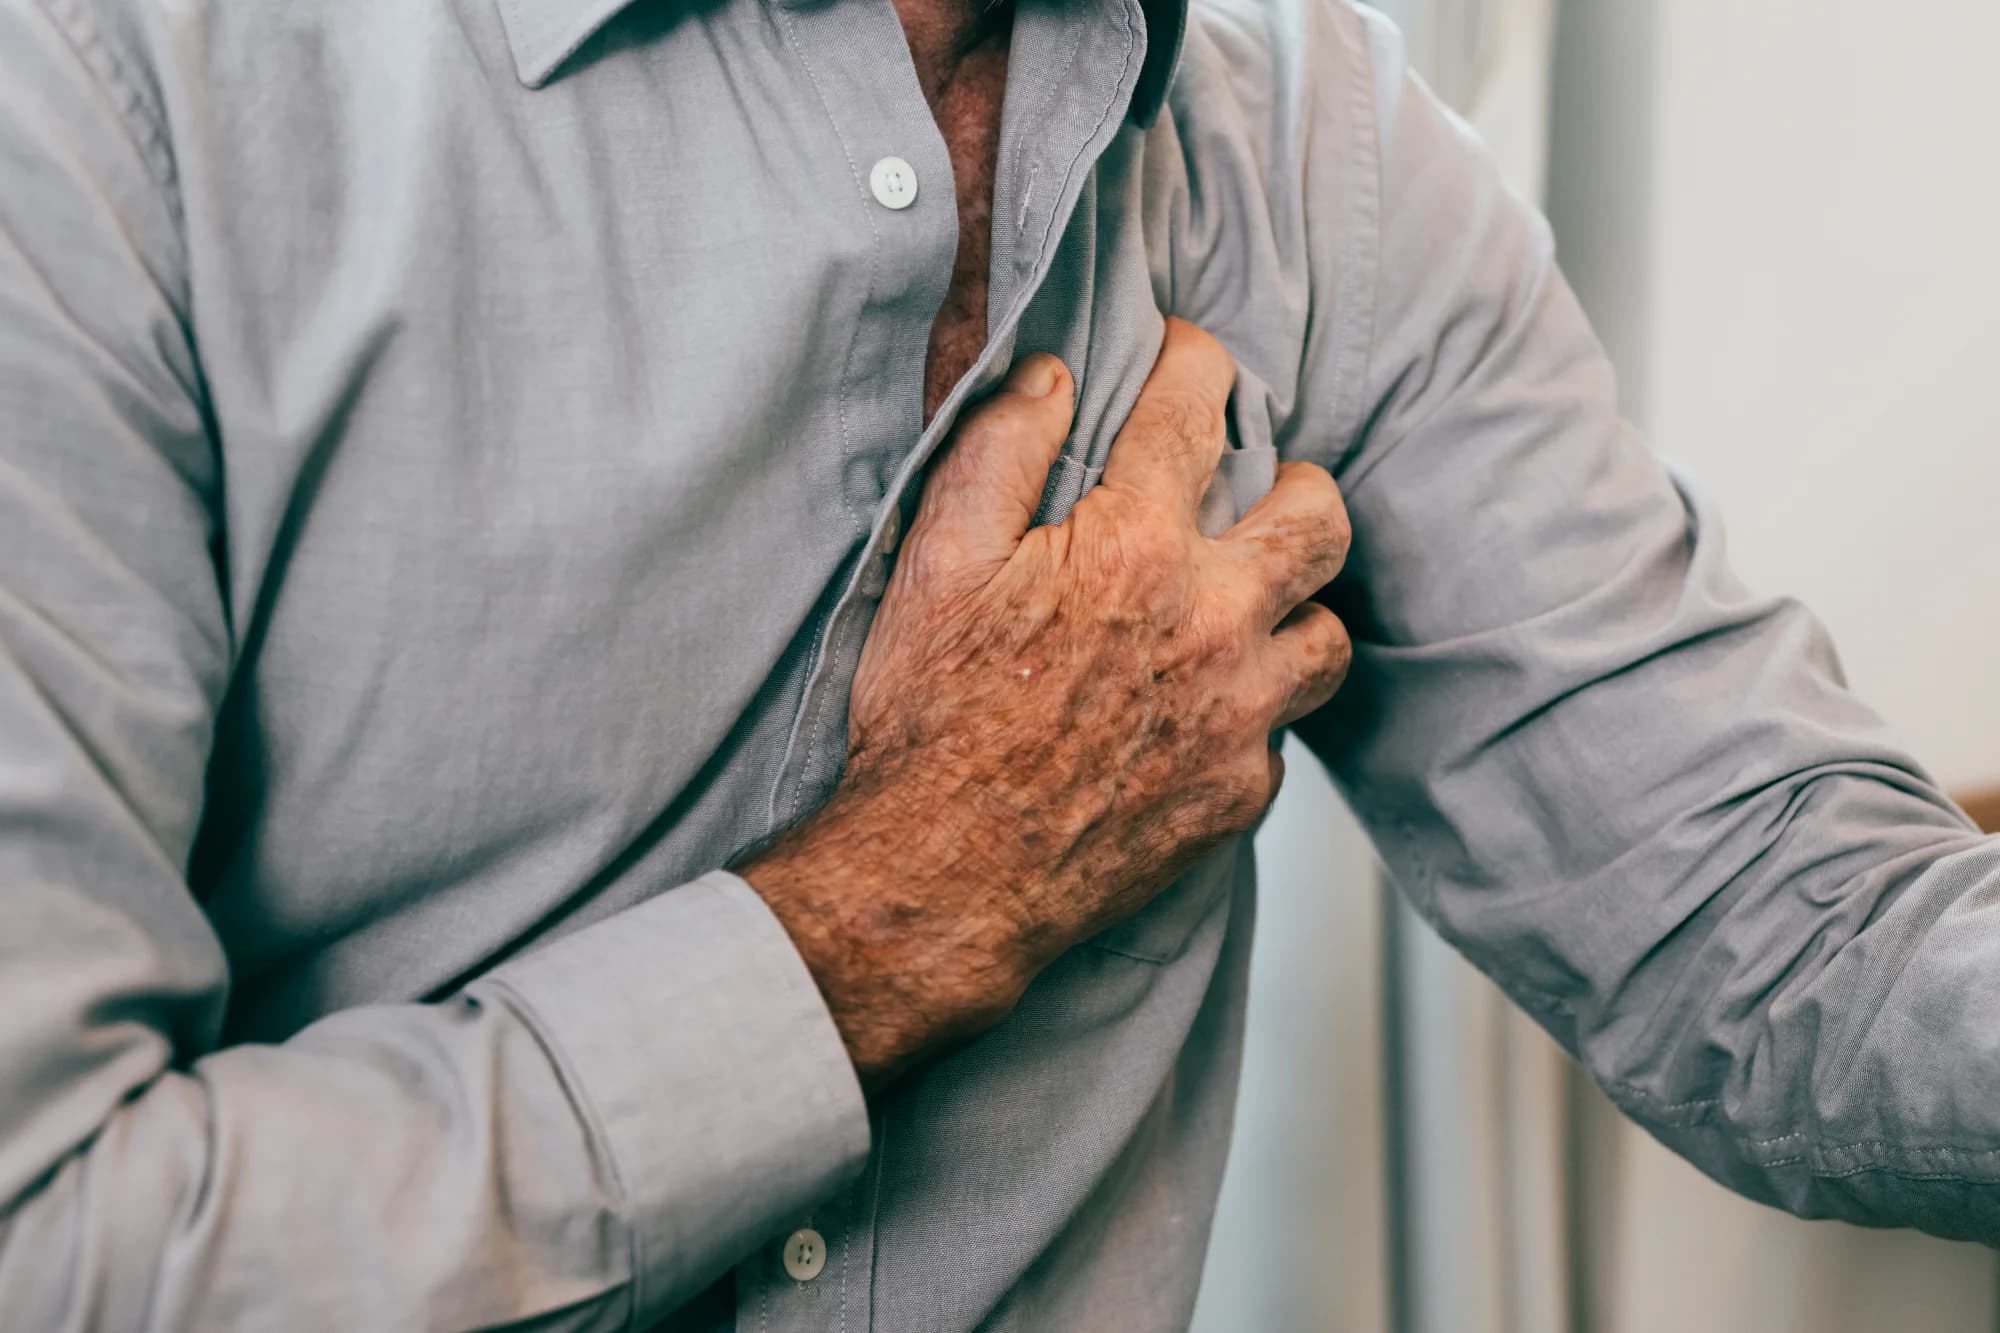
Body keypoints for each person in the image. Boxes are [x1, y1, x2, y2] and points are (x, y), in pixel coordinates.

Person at [0, 0, 1994, 1328]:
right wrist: (907, 901)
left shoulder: (1329, 159)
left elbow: (1788, 942)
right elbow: (53, 1244)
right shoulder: (109, 100)